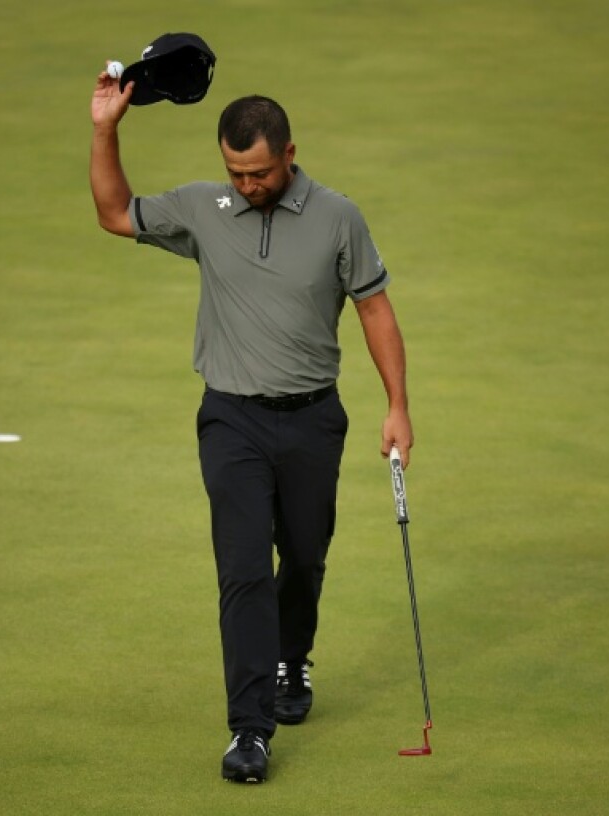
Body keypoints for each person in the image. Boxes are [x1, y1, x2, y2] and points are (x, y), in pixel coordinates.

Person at [89, 66, 413, 784]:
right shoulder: (204, 208)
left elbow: (374, 308)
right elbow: (114, 213)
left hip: (313, 420)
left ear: (289, 154)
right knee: (243, 572)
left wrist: (397, 406)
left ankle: (292, 658)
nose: (247, 186)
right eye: (236, 173)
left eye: (260, 173)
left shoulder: (339, 217)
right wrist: (105, 130)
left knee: (304, 557)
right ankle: (250, 729)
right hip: (231, 419)